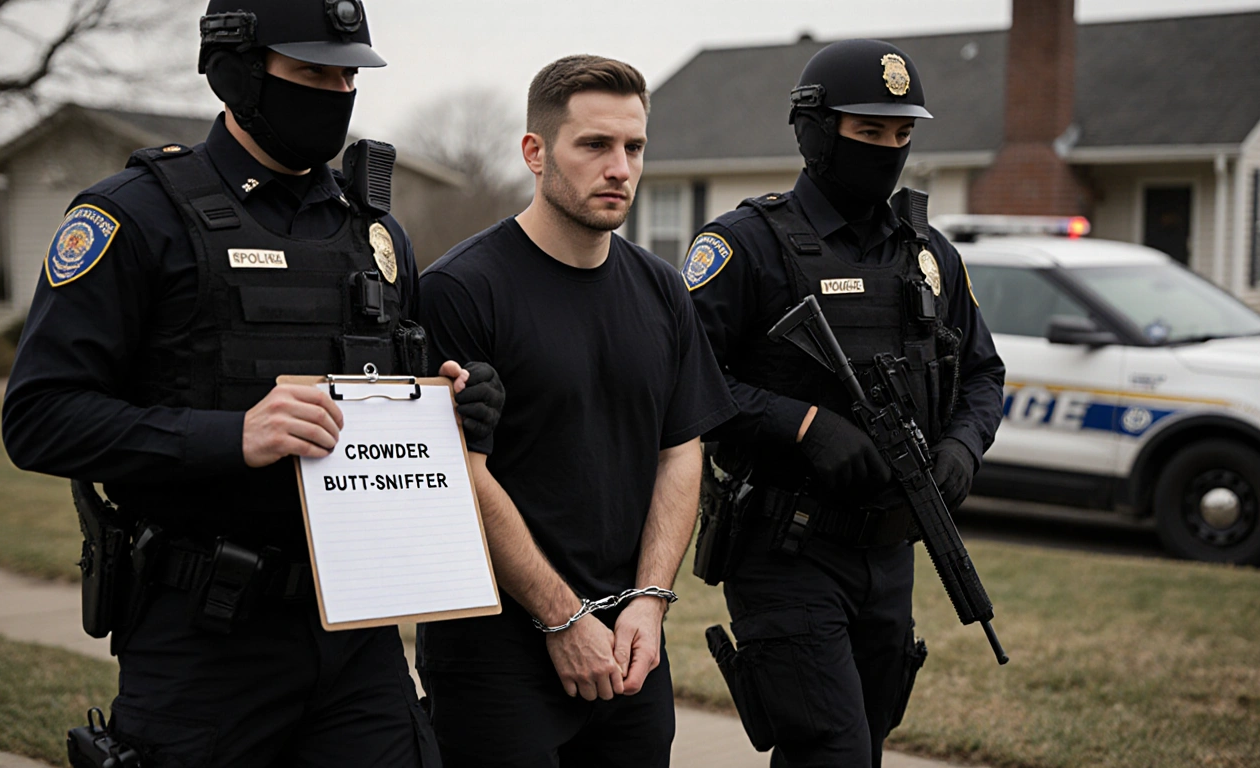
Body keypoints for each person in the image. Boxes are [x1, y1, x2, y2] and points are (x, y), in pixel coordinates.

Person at [1, 1, 504, 765]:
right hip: (204, 639)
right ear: (237, 74)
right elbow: (39, 417)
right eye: (310, 72)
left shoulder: (372, 233)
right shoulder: (135, 216)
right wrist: (232, 435)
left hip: (354, 637)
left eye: (348, 74)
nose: (335, 92)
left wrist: (454, 401)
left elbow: (389, 387)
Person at [683, 39, 1006, 767]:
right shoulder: (744, 247)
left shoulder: (927, 255)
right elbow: (681, 382)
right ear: (817, 130)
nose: (889, 150)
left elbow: (984, 374)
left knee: (866, 746)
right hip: (785, 545)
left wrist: (961, 448)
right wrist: (801, 425)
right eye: (869, 132)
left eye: (903, 135)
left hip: (891, 551)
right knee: (829, 750)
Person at [414, 55, 736, 768]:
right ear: (535, 152)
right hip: (494, 655)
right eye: (594, 145)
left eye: (634, 147)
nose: (619, 167)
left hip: (629, 649)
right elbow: (456, 473)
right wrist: (562, 617)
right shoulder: (461, 291)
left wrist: (650, 601)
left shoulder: (662, 292)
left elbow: (682, 449)